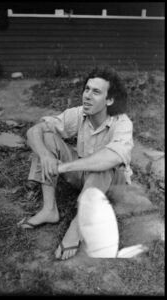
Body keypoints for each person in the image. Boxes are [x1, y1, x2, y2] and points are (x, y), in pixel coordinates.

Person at [17, 66, 134, 260]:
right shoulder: (80, 114)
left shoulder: (122, 122)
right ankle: (49, 210)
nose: (87, 96)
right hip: (83, 178)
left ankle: (76, 227)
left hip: (113, 184)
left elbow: (111, 157)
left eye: (96, 92)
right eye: (86, 89)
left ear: (110, 100)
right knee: (45, 136)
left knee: (104, 164)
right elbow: (34, 130)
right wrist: (46, 155)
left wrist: (62, 167)